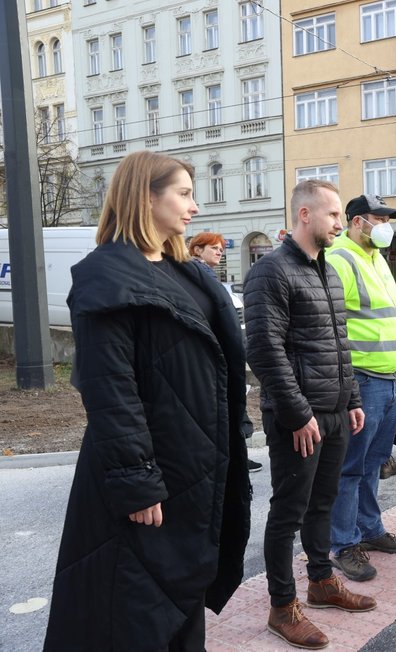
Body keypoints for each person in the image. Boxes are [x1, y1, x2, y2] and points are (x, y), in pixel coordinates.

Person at [43, 151, 252, 650]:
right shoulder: (107, 276)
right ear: (145, 197)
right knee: (133, 609)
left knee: (181, 597)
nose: (195, 207)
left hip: (197, 468)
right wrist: (137, 481)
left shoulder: (187, 273)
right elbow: (109, 387)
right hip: (150, 476)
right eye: (183, 193)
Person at [244, 180, 374, 650]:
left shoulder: (326, 269)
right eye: (334, 215)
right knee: (288, 512)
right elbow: (263, 349)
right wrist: (298, 414)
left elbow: (340, 343)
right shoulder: (271, 272)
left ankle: (321, 582)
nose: (341, 223)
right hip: (298, 418)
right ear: (305, 215)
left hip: (335, 411)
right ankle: (283, 607)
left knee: (323, 504)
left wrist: (353, 399)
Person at [325, 194, 396, 582]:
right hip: (361, 381)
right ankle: (343, 544)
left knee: (374, 463)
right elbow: (331, 328)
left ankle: (370, 530)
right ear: (358, 222)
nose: (385, 225)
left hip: (389, 379)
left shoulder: (375, 257)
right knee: (350, 468)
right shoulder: (340, 258)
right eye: (380, 219)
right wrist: (347, 387)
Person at [189, 231, 264, 473]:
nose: (219, 251)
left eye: (221, 248)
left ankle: (235, 458)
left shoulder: (209, 276)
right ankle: (232, 461)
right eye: (213, 247)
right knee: (224, 410)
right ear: (197, 250)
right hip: (214, 358)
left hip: (224, 354)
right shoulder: (197, 275)